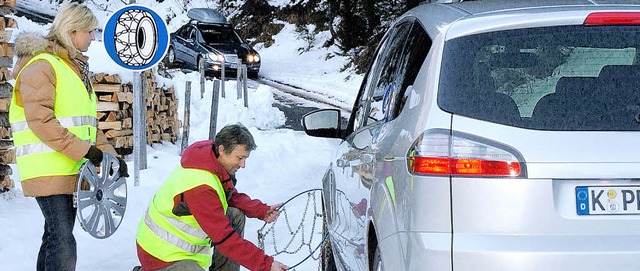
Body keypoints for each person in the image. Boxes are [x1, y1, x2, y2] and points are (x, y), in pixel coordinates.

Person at [9, 3, 128, 271]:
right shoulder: (42, 67)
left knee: (54, 237)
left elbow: (88, 127)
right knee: (62, 241)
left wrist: (111, 158)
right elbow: (41, 121)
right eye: (89, 32)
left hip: (68, 168)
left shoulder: (72, 70)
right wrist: (85, 152)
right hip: (49, 168)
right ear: (71, 31)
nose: (93, 38)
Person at [135, 124, 288, 271]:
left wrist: (261, 210)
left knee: (234, 215)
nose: (243, 165)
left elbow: (228, 196)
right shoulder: (200, 188)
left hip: (178, 249)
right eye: (239, 158)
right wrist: (267, 264)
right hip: (160, 255)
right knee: (227, 233)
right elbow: (226, 239)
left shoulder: (211, 160)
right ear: (222, 150)